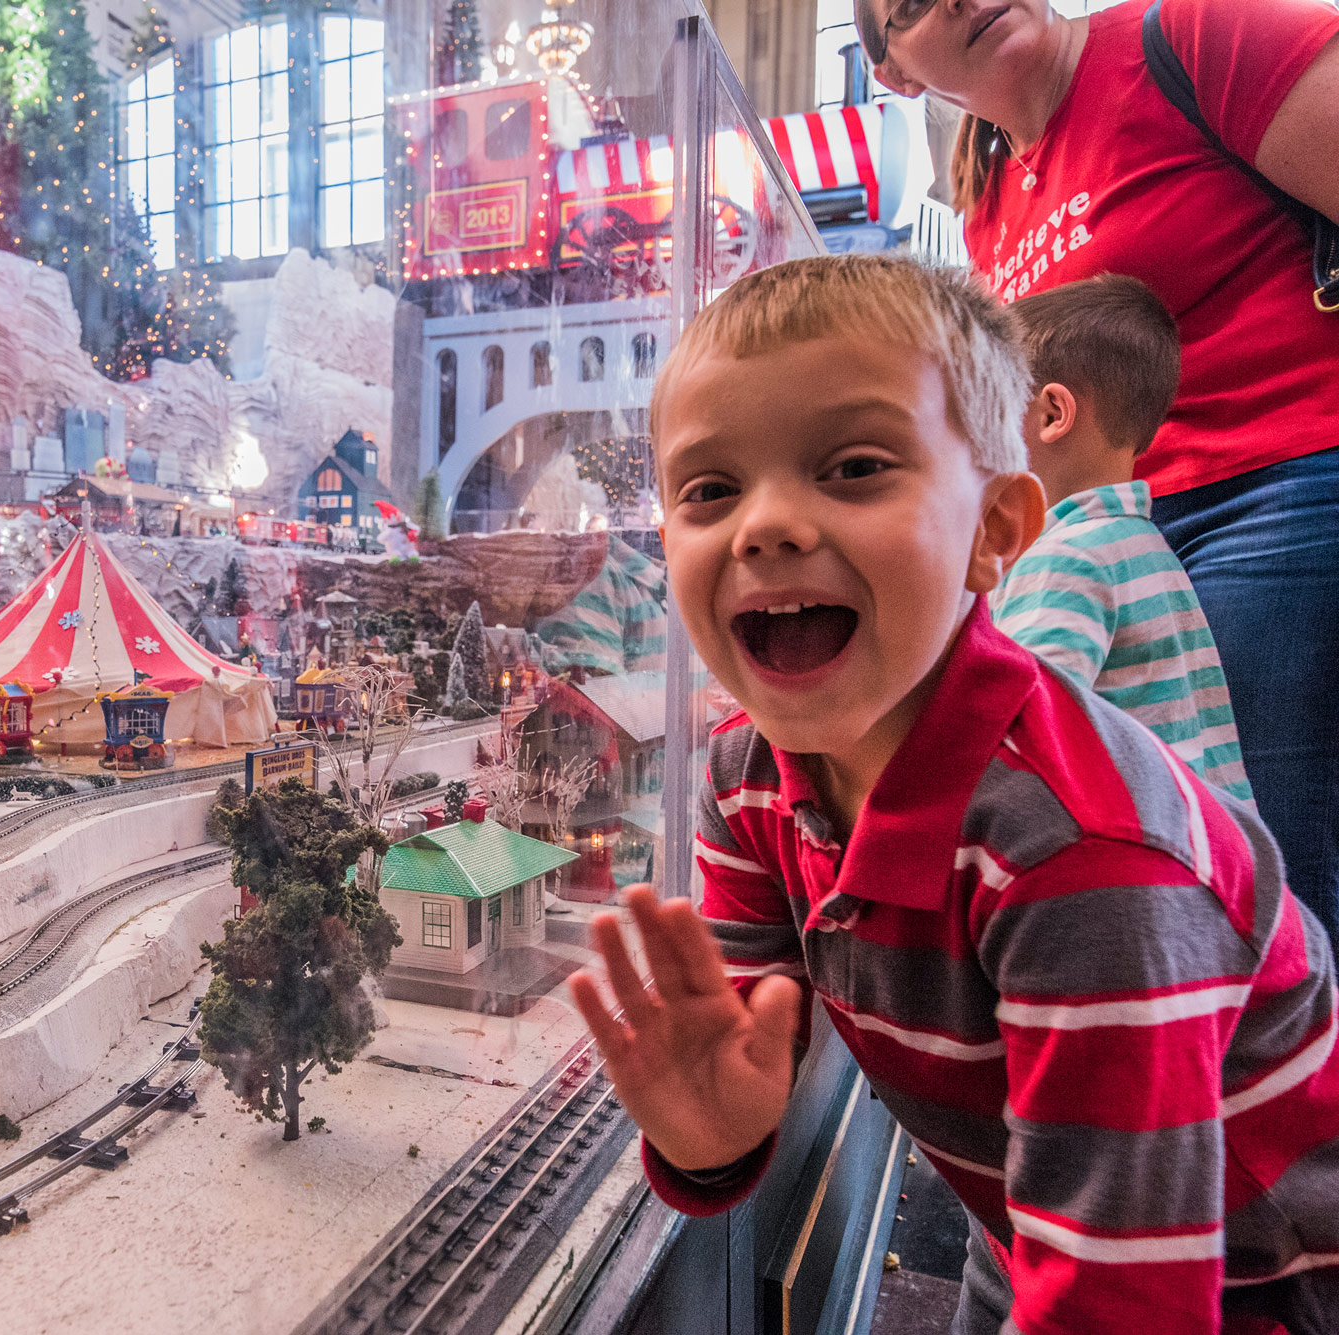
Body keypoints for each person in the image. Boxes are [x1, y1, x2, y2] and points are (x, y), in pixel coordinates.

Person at [571, 255, 1339, 1333]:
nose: (765, 526)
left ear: (994, 531)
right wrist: (708, 1137)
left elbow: (1127, 1304)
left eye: (852, 467)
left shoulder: (1080, 858)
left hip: (1262, 1279)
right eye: (709, 488)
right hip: (1034, 1210)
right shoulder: (744, 780)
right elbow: (742, 1063)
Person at [852, 0, 1339, 937]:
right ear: (898, 74)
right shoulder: (989, 203)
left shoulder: (1193, 40)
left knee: (1269, 866)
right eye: (910, 4)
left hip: (1285, 486)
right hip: (1120, 531)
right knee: (1165, 855)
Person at [993, 275, 1251, 801]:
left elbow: (1010, 734)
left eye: (981, 410)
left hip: (1132, 871)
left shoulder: (1065, 559)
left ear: (1052, 414)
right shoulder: (1138, 545)